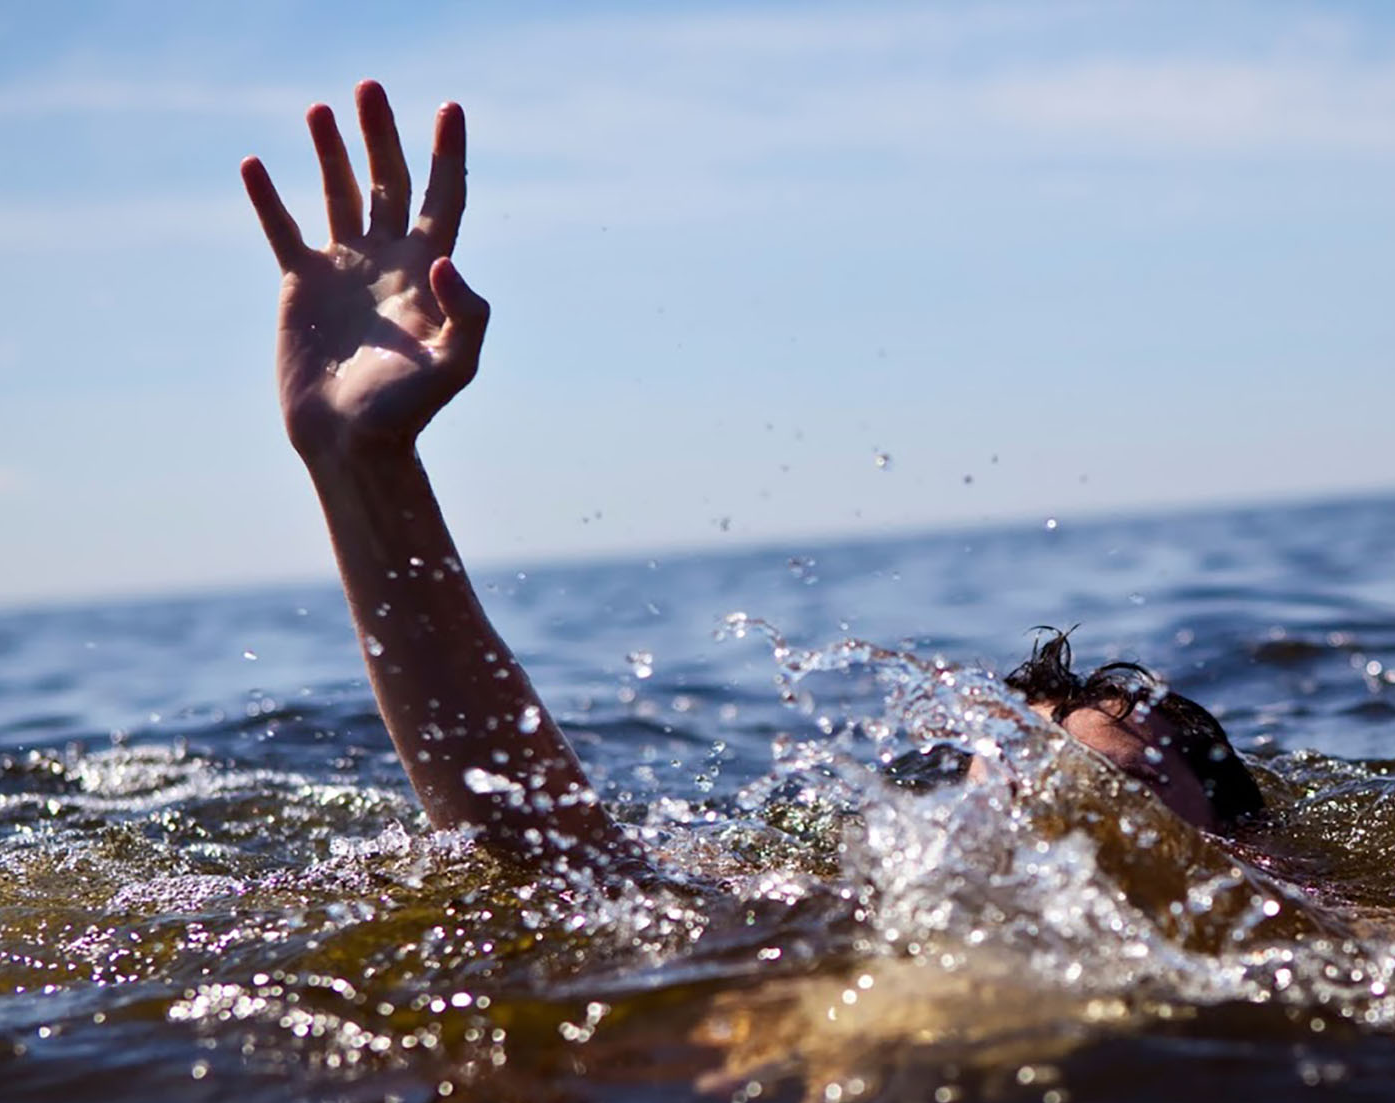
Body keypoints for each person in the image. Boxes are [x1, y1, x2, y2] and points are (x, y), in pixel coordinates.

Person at [239, 82, 1261, 873]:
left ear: (1247, 854)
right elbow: (552, 864)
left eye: (1107, 782)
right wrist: (361, 467)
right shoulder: (841, 930)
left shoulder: (1310, 952)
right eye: (1022, 776)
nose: (1040, 804)